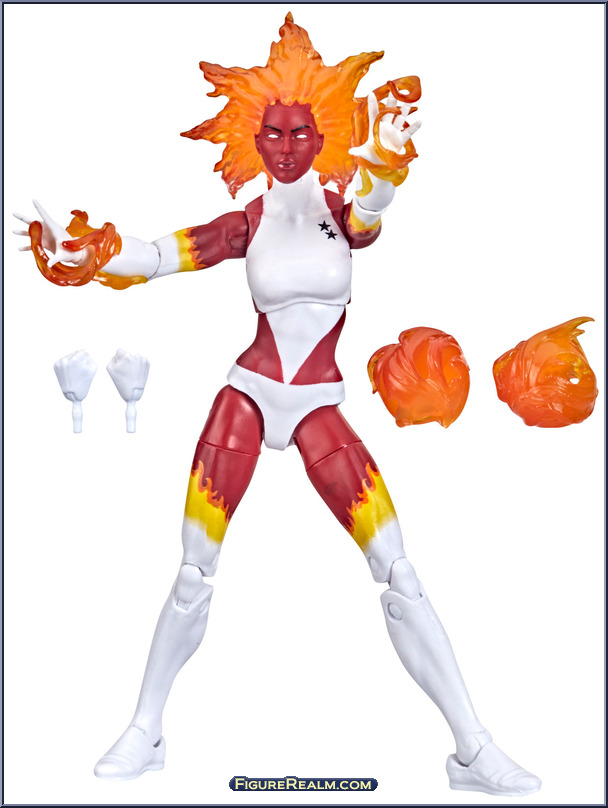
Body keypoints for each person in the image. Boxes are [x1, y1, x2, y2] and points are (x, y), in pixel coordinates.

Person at [14, 15, 540, 797]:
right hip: (248, 396)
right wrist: (89, 254)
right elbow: (158, 256)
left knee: (399, 570)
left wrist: (388, 149)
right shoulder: (248, 223)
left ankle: (473, 749)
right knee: (193, 572)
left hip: (319, 402)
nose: (287, 144)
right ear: (253, 140)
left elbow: (375, 204)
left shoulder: (342, 212)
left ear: (321, 135)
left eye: (299, 131)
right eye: (273, 132)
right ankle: (146, 731)